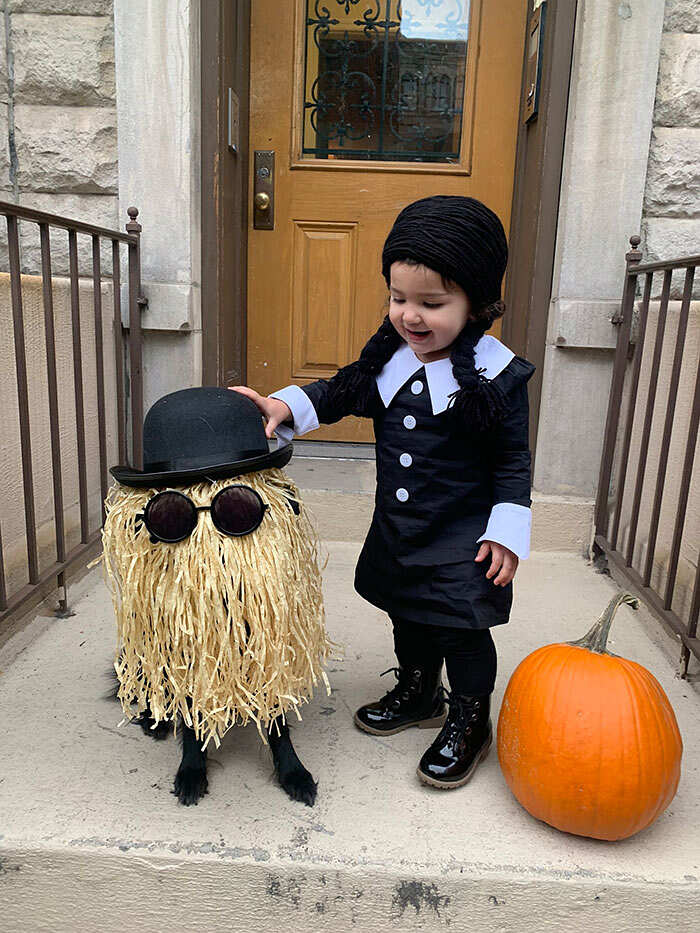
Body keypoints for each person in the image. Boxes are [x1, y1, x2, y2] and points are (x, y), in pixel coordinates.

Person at [233, 195, 535, 790]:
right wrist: (283, 405)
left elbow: (511, 459)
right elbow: (342, 392)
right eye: (398, 299)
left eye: (432, 303)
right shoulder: (393, 365)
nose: (410, 316)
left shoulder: (498, 379)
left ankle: (470, 718)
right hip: (402, 528)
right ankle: (419, 690)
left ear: (476, 303)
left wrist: (507, 528)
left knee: (461, 627)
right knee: (407, 610)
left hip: (464, 535)